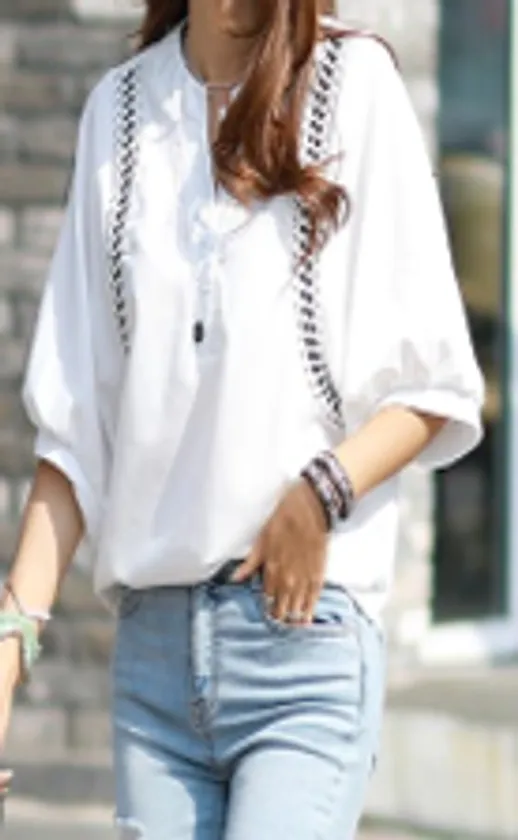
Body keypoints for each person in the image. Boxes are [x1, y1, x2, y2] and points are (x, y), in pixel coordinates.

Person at [0, 1, 484, 838]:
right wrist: (9, 653)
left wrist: (320, 492)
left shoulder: (354, 85)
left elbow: (434, 385)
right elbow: (74, 436)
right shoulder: (117, 114)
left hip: (302, 644)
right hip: (154, 666)